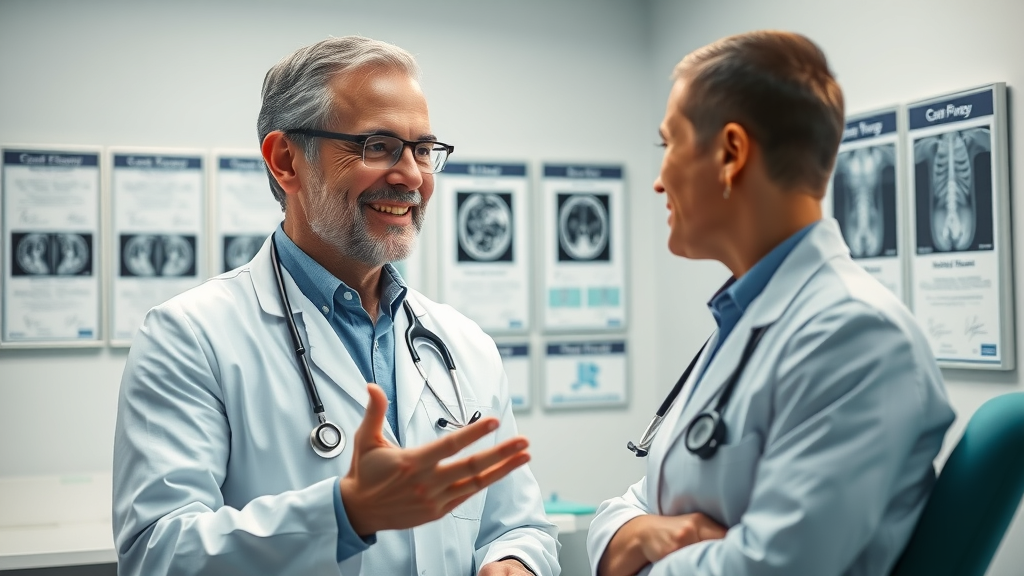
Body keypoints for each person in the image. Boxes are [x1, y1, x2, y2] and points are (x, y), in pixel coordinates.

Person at [113, 36, 559, 576]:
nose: (413, 176)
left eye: (423, 149)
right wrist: (345, 513)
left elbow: (518, 524)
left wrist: (514, 561)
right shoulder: (189, 337)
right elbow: (159, 553)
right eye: (378, 145)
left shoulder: (465, 345)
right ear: (285, 161)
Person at [587, 31, 954, 576]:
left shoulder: (857, 337)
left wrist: (640, 552)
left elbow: (770, 568)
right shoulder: (745, 319)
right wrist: (636, 536)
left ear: (731, 153)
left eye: (669, 146)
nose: (659, 181)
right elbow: (629, 510)